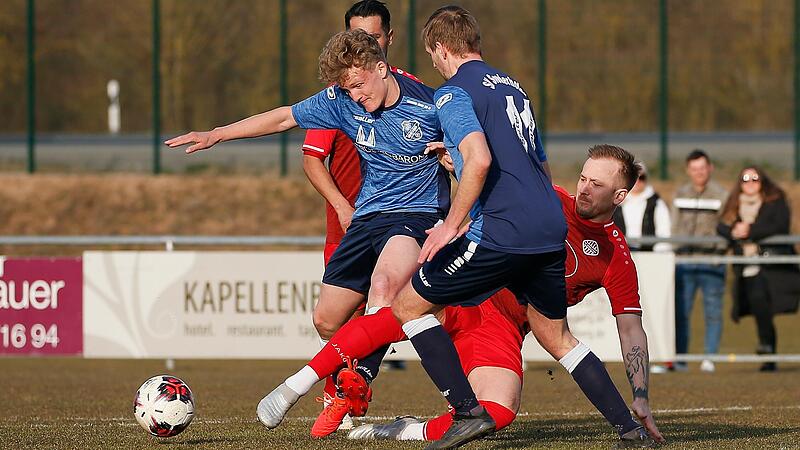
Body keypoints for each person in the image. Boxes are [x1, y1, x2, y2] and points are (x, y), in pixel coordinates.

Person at [256, 147, 664, 446]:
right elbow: (486, 183)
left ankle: (399, 429)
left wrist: (640, 395)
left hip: (501, 328)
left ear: (621, 196)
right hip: (469, 287)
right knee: (394, 313)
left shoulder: (615, 257)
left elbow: (631, 329)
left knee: (499, 412)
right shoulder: (548, 200)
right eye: (583, 178)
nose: (584, 188)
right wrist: (458, 164)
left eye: (598, 184)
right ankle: (295, 385)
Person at [385, 6, 649, 448]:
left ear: (441, 48)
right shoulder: (513, 87)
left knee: (408, 306)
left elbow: (481, 160)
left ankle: (467, 412)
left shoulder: (452, 93)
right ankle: (630, 428)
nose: (434, 64)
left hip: (505, 229)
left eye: (433, 55)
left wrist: (450, 225)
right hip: (547, 224)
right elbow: (537, 164)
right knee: (555, 335)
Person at [166, 27, 450, 410]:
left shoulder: (431, 106)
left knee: (382, 287)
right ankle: (371, 362)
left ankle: (358, 380)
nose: (355, 96)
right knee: (326, 320)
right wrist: (218, 134)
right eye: (347, 89)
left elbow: (477, 153)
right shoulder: (341, 101)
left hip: (415, 214)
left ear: (381, 68)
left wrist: (456, 166)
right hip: (367, 216)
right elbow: (284, 118)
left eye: (358, 86)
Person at [300, 0, 415, 429]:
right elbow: (312, 160)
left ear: (389, 39)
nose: (365, 45)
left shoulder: (415, 94)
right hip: (347, 225)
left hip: (401, 222)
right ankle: (340, 394)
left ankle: (353, 390)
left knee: (386, 302)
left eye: (374, 37)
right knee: (333, 320)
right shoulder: (340, 95)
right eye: (357, 36)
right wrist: (343, 207)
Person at [717, 166, 800, 372]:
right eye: (745, 179)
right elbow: (720, 225)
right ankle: (768, 352)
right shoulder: (734, 204)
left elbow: (780, 225)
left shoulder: (775, 200)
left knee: (768, 306)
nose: (750, 183)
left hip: (774, 265)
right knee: (760, 309)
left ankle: (768, 350)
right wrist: (734, 232)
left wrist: (750, 231)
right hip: (748, 267)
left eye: (755, 178)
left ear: (763, 181)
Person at [671, 149, 728, 373]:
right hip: (684, 262)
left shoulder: (721, 195)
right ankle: (681, 359)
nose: (699, 173)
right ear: (688, 170)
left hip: (712, 262)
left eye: (703, 168)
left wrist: (715, 247)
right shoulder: (680, 193)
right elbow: (674, 228)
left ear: (710, 168)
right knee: (681, 313)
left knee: (713, 312)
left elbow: (726, 228)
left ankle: (709, 358)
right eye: (694, 169)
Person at [612, 162, 672, 252]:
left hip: (648, 253)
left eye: (641, 178)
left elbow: (664, 232)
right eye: (633, 177)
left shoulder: (656, 203)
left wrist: (658, 254)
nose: (637, 181)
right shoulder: (616, 201)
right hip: (620, 253)